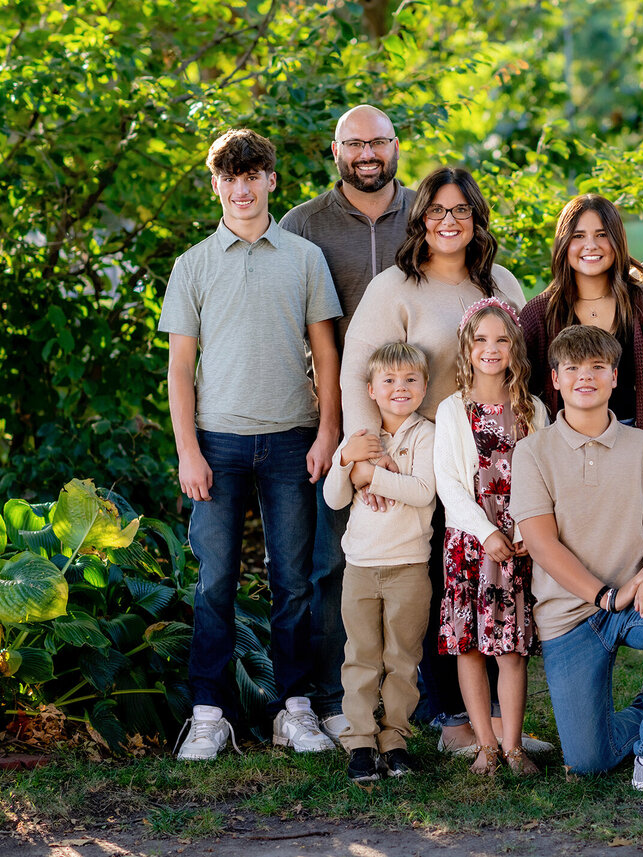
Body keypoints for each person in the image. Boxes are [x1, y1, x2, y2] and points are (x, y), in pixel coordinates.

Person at [159, 129, 343, 760]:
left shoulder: (303, 258)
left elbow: (326, 353)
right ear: (217, 185)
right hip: (216, 444)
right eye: (229, 179)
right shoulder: (193, 265)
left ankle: (295, 708)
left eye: (252, 176)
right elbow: (180, 368)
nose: (240, 190)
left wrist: (327, 433)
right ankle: (210, 714)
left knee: (294, 581)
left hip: (293, 441)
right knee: (215, 584)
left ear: (271, 181)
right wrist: (188, 450)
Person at [340, 166, 528, 755]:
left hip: (497, 462)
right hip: (422, 461)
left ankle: (498, 722)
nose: (449, 222)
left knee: (497, 584)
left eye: (461, 211)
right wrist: (368, 454)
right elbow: (357, 370)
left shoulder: (499, 285)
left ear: (476, 219)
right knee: (446, 586)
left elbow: (523, 358)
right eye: (438, 211)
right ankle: (452, 721)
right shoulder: (396, 288)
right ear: (421, 218)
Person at [513, 325, 643, 800]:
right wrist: (605, 594)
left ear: (615, 377)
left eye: (598, 367)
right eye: (574, 368)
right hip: (570, 616)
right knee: (589, 760)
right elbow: (542, 545)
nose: (586, 377)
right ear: (555, 380)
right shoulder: (532, 451)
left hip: (632, 604)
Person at [280, 105, 416, 741]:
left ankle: (426, 705)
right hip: (333, 419)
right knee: (336, 560)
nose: (368, 153)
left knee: (426, 557)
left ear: (395, 147)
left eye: (379, 142)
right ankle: (338, 701)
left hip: (418, 419)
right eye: (355, 143)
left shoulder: (426, 215)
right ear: (334, 151)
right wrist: (324, 424)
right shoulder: (302, 225)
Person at [434, 299, 548, 776]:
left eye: (501, 339)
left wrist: (521, 528)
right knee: (473, 647)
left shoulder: (532, 408)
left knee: (512, 649)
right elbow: (449, 483)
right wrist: (486, 533)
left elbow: (542, 475)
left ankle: (514, 744)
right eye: (481, 339)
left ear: (515, 347)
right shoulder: (452, 409)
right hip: (469, 545)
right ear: (467, 347)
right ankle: (484, 745)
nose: (491, 348)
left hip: (519, 541)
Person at [323, 342, 436, 782]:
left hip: (409, 564)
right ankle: (362, 741)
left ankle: (396, 738)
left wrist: (374, 476)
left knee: (403, 658)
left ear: (425, 386)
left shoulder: (426, 435)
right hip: (361, 567)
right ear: (370, 389)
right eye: (388, 381)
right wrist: (347, 462)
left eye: (410, 380)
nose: (399, 388)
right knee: (362, 657)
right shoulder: (358, 439)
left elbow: (424, 491)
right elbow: (334, 500)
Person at [519, 193, 643, 467]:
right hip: (563, 456)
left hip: (636, 452)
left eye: (601, 234)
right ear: (563, 243)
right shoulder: (540, 313)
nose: (591, 245)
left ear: (617, 240)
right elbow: (527, 396)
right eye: (578, 236)